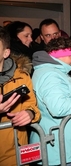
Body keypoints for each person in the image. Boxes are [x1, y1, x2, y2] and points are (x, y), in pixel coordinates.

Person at [30, 37, 71, 165]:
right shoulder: (50, 75)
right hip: (63, 148)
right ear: (60, 55)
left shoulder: (53, 72)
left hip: (67, 146)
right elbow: (59, 107)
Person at [0, 27, 41, 165]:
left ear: (5, 52)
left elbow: (32, 106)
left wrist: (29, 114)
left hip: (14, 153)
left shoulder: (22, 77)